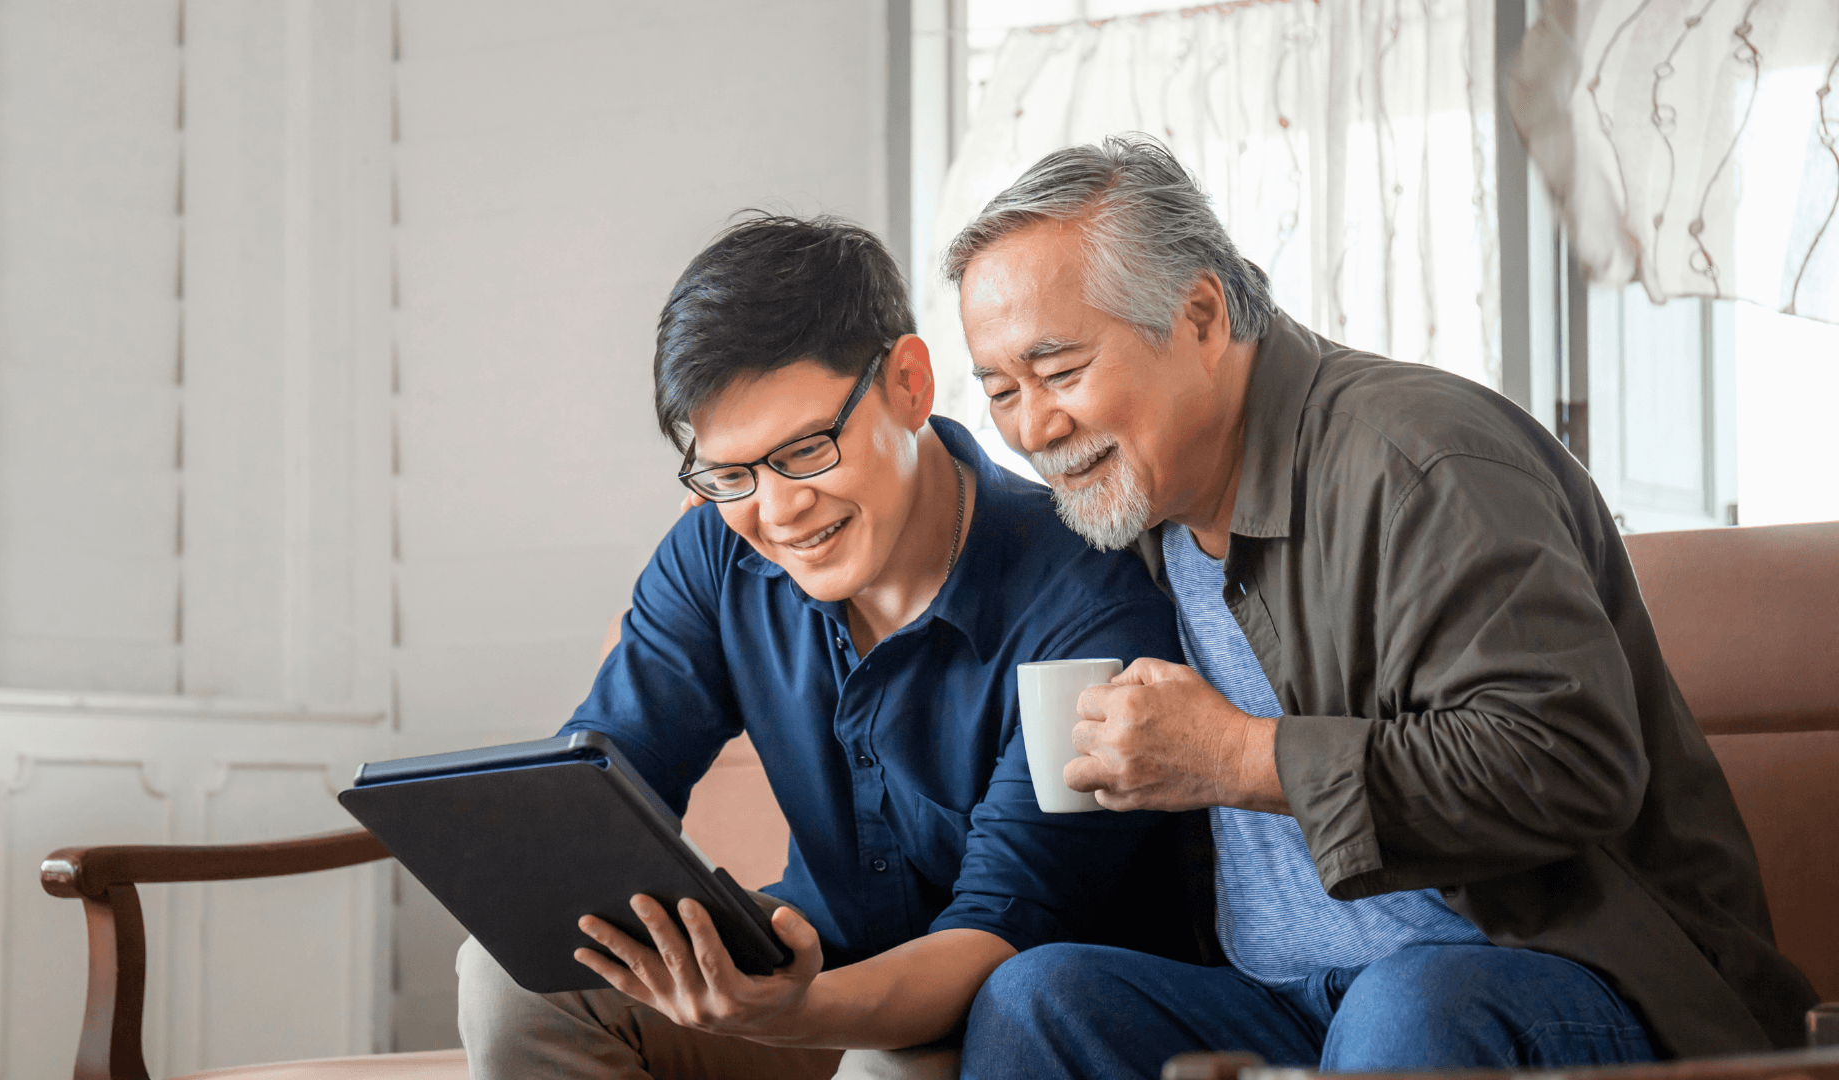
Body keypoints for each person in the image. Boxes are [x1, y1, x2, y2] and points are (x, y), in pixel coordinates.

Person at [943, 135, 1818, 1079]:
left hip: (1556, 985)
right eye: (1001, 391)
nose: (1034, 428)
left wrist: (1236, 756)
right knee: (1035, 1001)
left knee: (1407, 1003)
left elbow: (1567, 760)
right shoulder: (1133, 513)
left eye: (1060, 372)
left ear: (1200, 316)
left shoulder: (1421, 464)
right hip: (1289, 1005)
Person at [455, 214, 1192, 1080]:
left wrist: (790, 1011)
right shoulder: (717, 553)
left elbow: (1002, 931)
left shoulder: (1088, 604)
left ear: (909, 384)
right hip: (810, 969)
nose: (778, 512)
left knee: (884, 1066)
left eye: (805, 450)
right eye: (731, 474)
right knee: (509, 978)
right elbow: (602, 790)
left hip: (999, 1013)